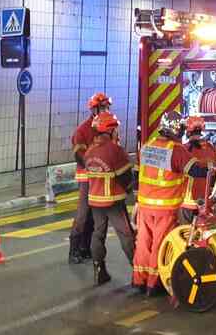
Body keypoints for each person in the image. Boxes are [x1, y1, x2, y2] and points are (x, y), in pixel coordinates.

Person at [133, 111, 213, 295]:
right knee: (161, 244)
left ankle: (139, 281)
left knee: (144, 242)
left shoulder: (147, 146)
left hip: (145, 204)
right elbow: (196, 171)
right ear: (178, 129)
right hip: (165, 207)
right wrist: (213, 165)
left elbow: (136, 174)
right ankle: (155, 284)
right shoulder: (176, 150)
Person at [81, 110, 136, 286]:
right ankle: (138, 271)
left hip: (95, 201)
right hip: (113, 200)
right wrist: (130, 190)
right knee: (126, 235)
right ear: (110, 130)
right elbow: (125, 176)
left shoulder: (89, 151)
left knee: (98, 234)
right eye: (116, 129)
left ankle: (99, 271)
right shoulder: (114, 149)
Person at [68, 92, 110, 264]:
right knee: (83, 214)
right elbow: (78, 155)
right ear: (93, 109)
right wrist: (92, 165)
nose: (104, 110)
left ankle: (85, 248)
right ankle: (74, 250)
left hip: (100, 178)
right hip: (87, 178)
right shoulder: (83, 130)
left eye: (106, 107)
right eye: (101, 107)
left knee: (94, 215)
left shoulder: (108, 127)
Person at [179, 116, 216, 225]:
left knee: (186, 232)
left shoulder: (184, 149)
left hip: (188, 200)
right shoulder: (211, 148)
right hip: (205, 198)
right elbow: (214, 172)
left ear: (188, 131)